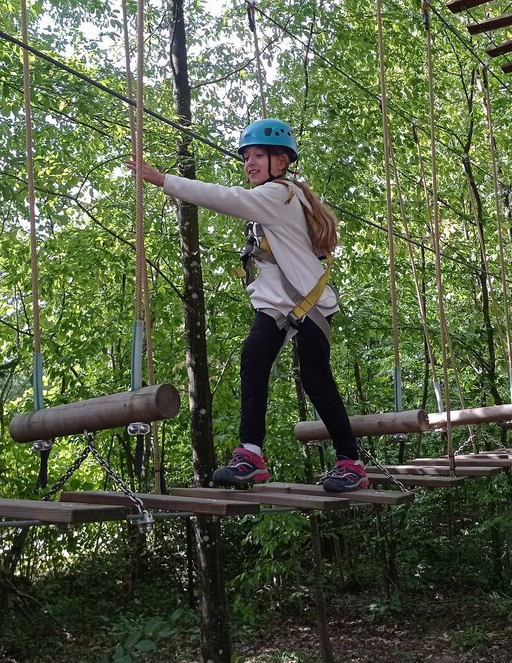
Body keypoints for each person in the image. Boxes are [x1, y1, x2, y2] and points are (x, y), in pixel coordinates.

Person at [128, 118, 368, 492]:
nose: (249, 163)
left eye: (258, 155)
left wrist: (164, 181)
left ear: (281, 161)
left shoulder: (278, 195)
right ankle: (250, 455)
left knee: (316, 379)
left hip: (307, 303)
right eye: (246, 157)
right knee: (254, 359)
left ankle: (350, 462)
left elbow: (226, 198)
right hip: (280, 302)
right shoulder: (283, 196)